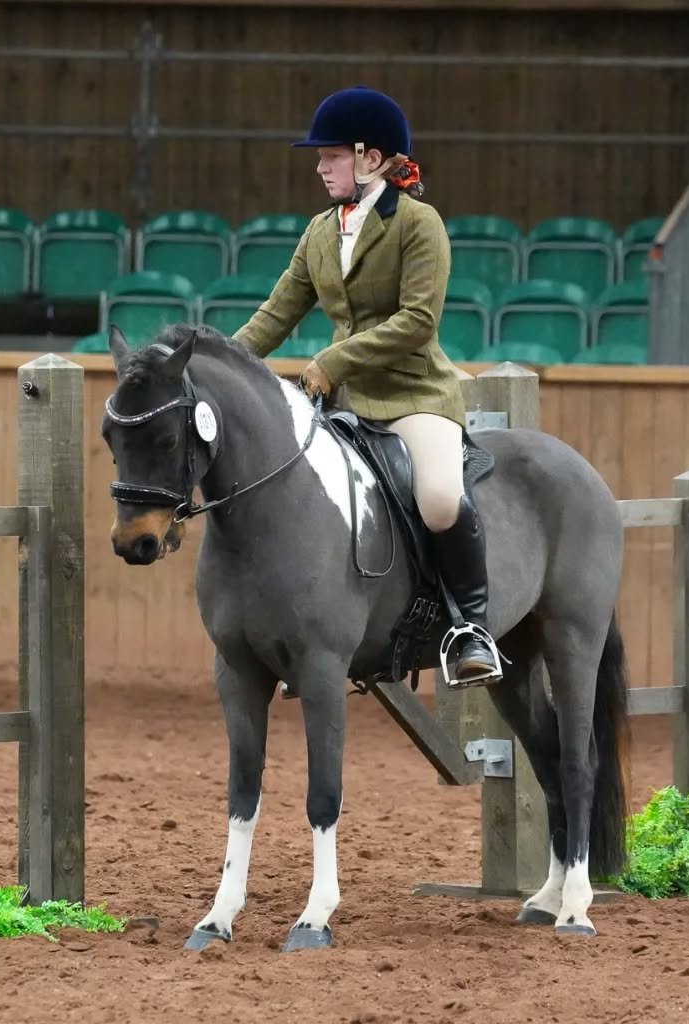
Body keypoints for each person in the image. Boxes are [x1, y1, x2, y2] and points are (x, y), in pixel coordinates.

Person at [232, 86, 499, 688]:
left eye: (332, 156)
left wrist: (335, 358)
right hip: (343, 403)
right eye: (320, 157)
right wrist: (217, 362)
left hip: (413, 395)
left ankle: (469, 628)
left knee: (436, 497)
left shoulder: (418, 224)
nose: (319, 166)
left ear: (372, 159)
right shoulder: (320, 232)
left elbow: (418, 321)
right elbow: (276, 314)